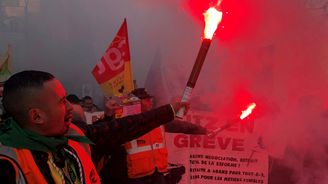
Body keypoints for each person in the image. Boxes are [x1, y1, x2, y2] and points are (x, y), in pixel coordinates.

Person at [0, 70, 189, 184]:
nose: (69, 107)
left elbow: (124, 127)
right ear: (37, 116)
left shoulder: (74, 136)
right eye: (61, 101)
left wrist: (169, 111)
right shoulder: (9, 165)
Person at [122, 88, 207, 184]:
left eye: (150, 99)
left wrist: (202, 130)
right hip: (137, 177)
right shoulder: (128, 122)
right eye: (147, 100)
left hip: (158, 173)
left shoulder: (157, 119)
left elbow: (181, 126)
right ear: (136, 103)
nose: (150, 102)